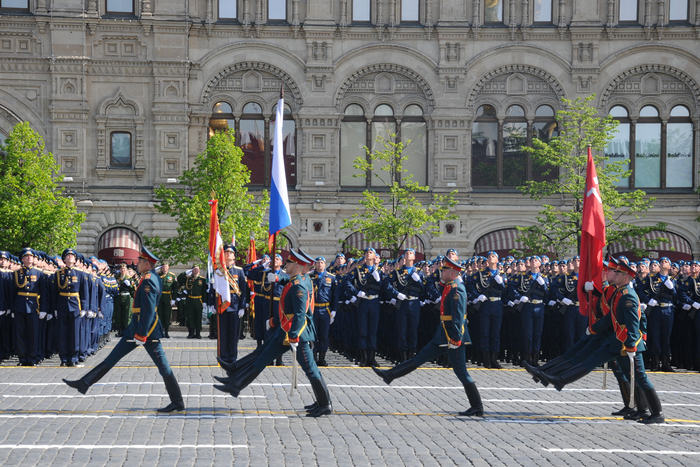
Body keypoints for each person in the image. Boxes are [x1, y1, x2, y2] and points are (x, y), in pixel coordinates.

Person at [529, 257, 664, 424]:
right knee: (622, 373)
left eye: (619, 273)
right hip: (617, 341)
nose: (615, 275)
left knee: (640, 377)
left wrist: (630, 345)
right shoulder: (619, 293)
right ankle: (642, 410)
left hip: (628, 344)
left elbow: (634, 325)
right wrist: (595, 327)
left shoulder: (628, 296)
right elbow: (611, 318)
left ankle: (657, 413)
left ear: (626, 277)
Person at [63, 246, 184, 413]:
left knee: (163, 366)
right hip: (136, 327)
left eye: (140, 261)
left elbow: (148, 309)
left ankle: (177, 401)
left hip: (147, 330)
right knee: (113, 357)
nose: (137, 264)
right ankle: (85, 383)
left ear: (147, 264)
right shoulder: (149, 277)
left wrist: (142, 333)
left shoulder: (149, 279)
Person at [214, 249, 333, 417]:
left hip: (297, 335)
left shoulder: (299, 286)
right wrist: (277, 278)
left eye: (289, 263)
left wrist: (293, 336)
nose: (286, 265)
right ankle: (234, 379)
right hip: (286, 330)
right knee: (262, 355)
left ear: (298, 266)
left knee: (311, 369)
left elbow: (300, 314)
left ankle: (325, 404)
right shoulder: (299, 279)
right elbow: (288, 279)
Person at [372, 257, 484, 416]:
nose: (441, 273)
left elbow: (459, 316)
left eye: (444, 271)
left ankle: (477, 406)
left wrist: (456, 338)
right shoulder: (451, 286)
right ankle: (390, 374)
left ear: (452, 273)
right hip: (443, 334)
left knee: (461, 372)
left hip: (453, 336)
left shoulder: (457, 288)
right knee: (420, 358)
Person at [218, 244, 248, 365]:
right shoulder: (219, 270)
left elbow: (244, 290)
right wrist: (212, 304)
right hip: (223, 305)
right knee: (223, 333)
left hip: (235, 306)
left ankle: (232, 357)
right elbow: (214, 289)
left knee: (233, 334)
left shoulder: (239, 271)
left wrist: (242, 306)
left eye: (230, 253)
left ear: (234, 256)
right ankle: (223, 356)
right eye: (226, 252)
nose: (228, 254)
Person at [311, 256, 338, 367]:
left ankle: (322, 359)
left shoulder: (331, 277)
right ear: (315, 264)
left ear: (325, 265)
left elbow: (335, 295)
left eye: (322, 262)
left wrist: (334, 310)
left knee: (324, 335)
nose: (320, 264)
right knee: (313, 335)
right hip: (313, 309)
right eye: (318, 262)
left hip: (325, 310)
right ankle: (313, 358)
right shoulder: (310, 276)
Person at [177, 265, 207, 339]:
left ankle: (198, 333)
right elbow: (179, 280)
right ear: (192, 271)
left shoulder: (202, 279)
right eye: (194, 269)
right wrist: (185, 273)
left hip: (198, 300)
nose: (195, 271)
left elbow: (204, 292)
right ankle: (191, 333)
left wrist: (205, 301)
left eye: (197, 269)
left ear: (199, 270)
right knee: (190, 317)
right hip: (190, 300)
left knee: (198, 317)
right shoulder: (188, 279)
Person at [157, 262, 178, 338]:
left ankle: (166, 332)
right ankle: (160, 331)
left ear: (168, 267)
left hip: (168, 297)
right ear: (161, 268)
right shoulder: (157, 275)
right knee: (160, 315)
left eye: (166, 266)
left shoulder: (172, 276)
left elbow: (175, 288)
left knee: (167, 314)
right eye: (163, 267)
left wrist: (174, 299)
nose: (164, 268)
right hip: (159, 296)